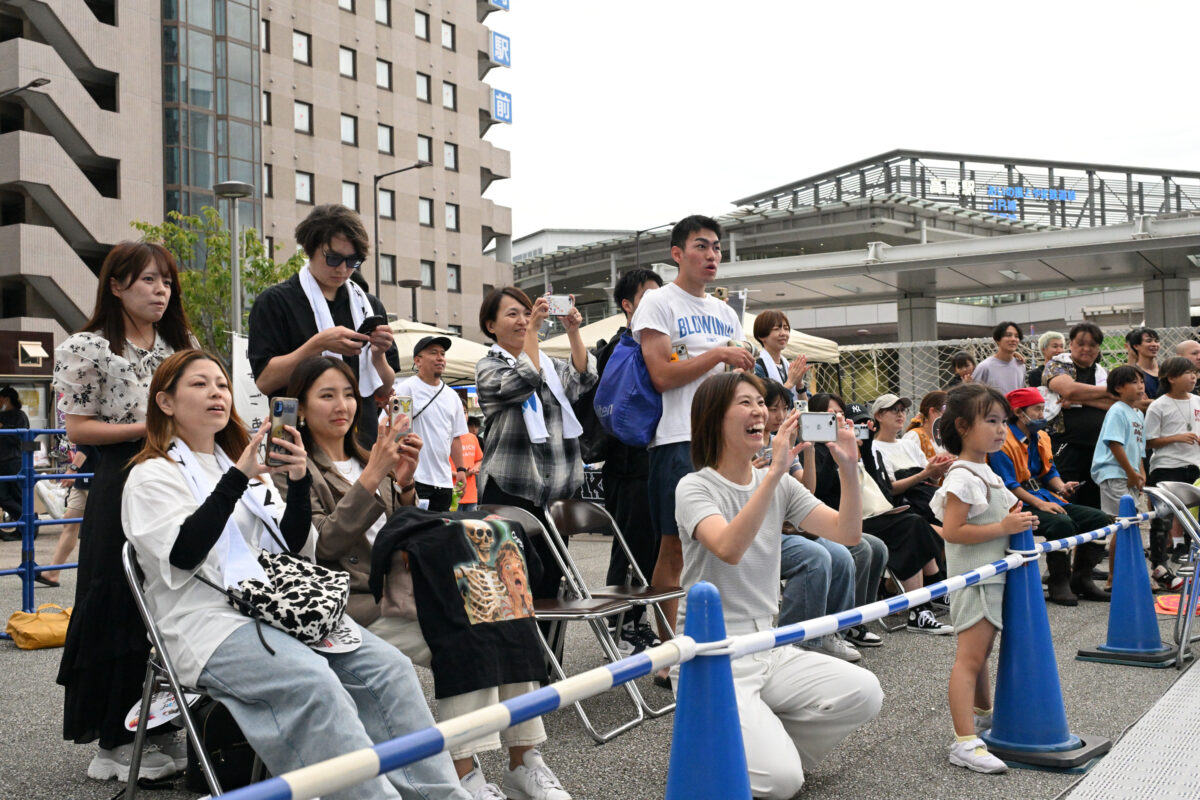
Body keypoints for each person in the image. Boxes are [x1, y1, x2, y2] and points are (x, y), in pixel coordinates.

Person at [122, 350, 466, 800]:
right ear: (165, 403)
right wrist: (238, 479)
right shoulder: (151, 476)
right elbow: (185, 554)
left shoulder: (241, 466)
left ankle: (441, 795)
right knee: (313, 683)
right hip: (207, 621)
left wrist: (300, 482)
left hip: (283, 608)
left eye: (222, 385)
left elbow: (294, 544)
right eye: (199, 384)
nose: (216, 394)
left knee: (391, 670)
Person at [673, 371, 882, 799]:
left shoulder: (780, 483)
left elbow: (848, 533)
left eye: (760, 403)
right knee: (781, 783)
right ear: (713, 418)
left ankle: (759, 745)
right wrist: (771, 476)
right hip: (712, 654)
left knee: (865, 692)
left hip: (766, 643)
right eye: (744, 402)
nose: (759, 412)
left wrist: (848, 467)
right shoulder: (694, 486)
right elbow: (728, 547)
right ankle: (746, 751)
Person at [52, 241, 195, 781]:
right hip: (121, 480)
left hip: (180, 478)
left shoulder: (180, 344)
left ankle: (159, 730)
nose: (161, 291)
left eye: (166, 282)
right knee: (119, 600)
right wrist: (155, 427)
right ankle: (113, 740)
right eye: (148, 281)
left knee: (169, 601)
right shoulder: (86, 347)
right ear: (116, 285)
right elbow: (79, 430)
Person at [631, 215, 752, 650]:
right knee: (675, 547)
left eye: (717, 247)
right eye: (701, 246)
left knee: (725, 544)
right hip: (676, 437)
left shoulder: (725, 312)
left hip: (724, 444)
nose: (712, 255)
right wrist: (719, 353)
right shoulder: (659, 303)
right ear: (677, 254)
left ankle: (713, 638)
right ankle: (668, 651)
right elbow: (661, 373)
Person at [931, 383, 1037, 774]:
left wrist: (1019, 523)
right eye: (990, 421)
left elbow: (997, 520)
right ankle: (964, 741)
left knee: (982, 655)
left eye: (1003, 422)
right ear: (961, 425)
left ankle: (983, 717)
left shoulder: (986, 471)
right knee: (970, 658)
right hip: (974, 580)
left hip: (991, 578)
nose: (999, 430)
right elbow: (953, 530)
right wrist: (1004, 526)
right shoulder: (961, 475)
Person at [475, 286, 596, 605]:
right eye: (512, 314)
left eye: (527, 313)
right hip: (510, 489)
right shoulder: (488, 367)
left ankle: (545, 657)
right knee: (505, 591)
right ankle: (508, 655)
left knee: (548, 587)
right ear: (490, 325)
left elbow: (582, 379)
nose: (522, 320)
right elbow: (522, 381)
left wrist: (573, 332)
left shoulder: (552, 367)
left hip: (556, 492)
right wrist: (533, 332)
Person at [248, 204, 399, 446]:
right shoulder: (275, 302)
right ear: (309, 249)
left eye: (352, 261)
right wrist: (317, 344)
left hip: (362, 438)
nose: (342, 269)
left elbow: (385, 388)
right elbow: (265, 380)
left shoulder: (369, 306)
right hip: (297, 440)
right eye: (333, 258)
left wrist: (378, 356)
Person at [807, 395, 950, 636]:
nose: (839, 419)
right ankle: (927, 597)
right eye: (833, 414)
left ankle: (922, 604)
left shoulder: (866, 450)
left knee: (913, 525)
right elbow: (822, 493)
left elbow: (882, 490)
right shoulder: (817, 450)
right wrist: (841, 458)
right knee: (913, 526)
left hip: (879, 512)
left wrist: (866, 451)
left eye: (842, 414)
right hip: (847, 519)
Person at [757, 380, 859, 662]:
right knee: (815, 556)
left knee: (842, 555)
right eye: (771, 407)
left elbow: (807, 490)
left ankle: (828, 632)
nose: (778, 415)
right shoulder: (752, 444)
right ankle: (791, 644)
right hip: (760, 531)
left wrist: (810, 449)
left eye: (784, 408)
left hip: (787, 526)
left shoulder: (783, 443)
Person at [989, 388, 1112, 605]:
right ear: (1018, 412)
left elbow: (1049, 472)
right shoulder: (1002, 441)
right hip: (1015, 503)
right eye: (1037, 409)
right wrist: (1039, 504)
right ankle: (1058, 581)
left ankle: (1081, 579)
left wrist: (1062, 486)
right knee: (1061, 524)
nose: (1042, 413)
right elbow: (1008, 485)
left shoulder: (1042, 437)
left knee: (1099, 520)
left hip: (1045, 496)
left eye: (1042, 408)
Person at [596, 268, 664, 654]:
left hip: (653, 460)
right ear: (627, 305)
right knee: (630, 547)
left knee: (654, 546)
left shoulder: (656, 341)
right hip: (627, 464)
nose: (658, 303)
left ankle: (636, 620)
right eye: (648, 297)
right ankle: (620, 624)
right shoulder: (619, 348)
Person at [1043, 322, 1114, 511]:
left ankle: (1091, 542)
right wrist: (1109, 392)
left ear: (1098, 348)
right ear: (1071, 344)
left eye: (1092, 344)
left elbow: (1116, 403)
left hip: (1098, 449)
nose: (1086, 349)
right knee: (1067, 503)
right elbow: (1068, 388)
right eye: (1081, 343)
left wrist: (1080, 400)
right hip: (1066, 446)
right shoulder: (1058, 365)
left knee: (1095, 505)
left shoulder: (1102, 372)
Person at [1142, 357, 1198, 591]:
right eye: (1188, 373)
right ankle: (1159, 566)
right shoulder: (1159, 405)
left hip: (1195, 465)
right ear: (1171, 378)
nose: (1194, 377)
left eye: (1195, 372)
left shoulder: (1197, 401)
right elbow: (1149, 441)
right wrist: (1177, 437)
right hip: (1167, 466)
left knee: (1193, 519)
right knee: (1163, 519)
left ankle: (1190, 564)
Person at [393, 335, 468, 511]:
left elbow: (456, 437)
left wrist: (461, 469)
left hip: (444, 482)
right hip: (415, 478)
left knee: (440, 534)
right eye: (433, 353)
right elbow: (393, 432)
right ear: (417, 360)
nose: (440, 357)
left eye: (443, 353)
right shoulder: (405, 390)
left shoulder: (452, 396)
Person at [870, 393, 954, 524]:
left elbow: (931, 481)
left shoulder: (908, 445)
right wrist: (925, 473)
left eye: (903, 410)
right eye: (894, 409)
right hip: (908, 511)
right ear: (878, 415)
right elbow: (890, 489)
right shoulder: (874, 448)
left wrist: (936, 472)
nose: (900, 414)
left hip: (926, 502)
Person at [1090, 365, 1147, 518]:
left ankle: (1123, 543)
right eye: (1135, 382)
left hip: (1129, 475)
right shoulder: (1117, 410)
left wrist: (1140, 474)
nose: (1141, 386)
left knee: (1129, 519)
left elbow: (1139, 449)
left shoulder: (1139, 414)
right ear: (1119, 387)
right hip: (1115, 473)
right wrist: (1131, 473)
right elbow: (1114, 444)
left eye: (1142, 381)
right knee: (1124, 519)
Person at [752, 310, 810, 403]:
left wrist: (799, 385)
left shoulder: (788, 366)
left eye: (786, 328)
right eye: (776, 329)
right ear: (761, 336)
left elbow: (806, 409)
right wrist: (790, 383)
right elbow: (766, 403)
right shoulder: (757, 367)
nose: (783, 333)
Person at [0, 386, 31, 538]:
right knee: (3, 496)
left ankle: (28, 528)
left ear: (6, 399)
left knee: (19, 495)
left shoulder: (20, 416)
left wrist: (4, 428)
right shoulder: (1, 415)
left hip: (15, 461)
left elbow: (21, 439)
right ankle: (24, 525)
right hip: (1, 462)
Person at [973, 322, 1026, 395]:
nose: (1013, 339)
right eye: (1008, 335)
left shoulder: (1021, 366)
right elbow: (974, 395)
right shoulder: (985, 367)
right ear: (997, 340)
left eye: (1016, 336)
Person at [903, 390, 948, 459]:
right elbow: (906, 467)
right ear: (932, 411)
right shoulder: (914, 436)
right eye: (946, 411)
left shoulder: (944, 438)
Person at [1126, 327, 1161, 401]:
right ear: (1136, 346)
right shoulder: (1132, 373)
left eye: (1156, 341)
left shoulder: (1166, 369)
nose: (1154, 344)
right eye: (1149, 341)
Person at [458, 413, 484, 512]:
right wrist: (462, 473)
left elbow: (479, 459)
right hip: (454, 493)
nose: (474, 429)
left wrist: (475, 468)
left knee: (471, 526)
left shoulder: (473, 438)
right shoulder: (446, 437)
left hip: (472, 495)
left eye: (464, 412)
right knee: (455, 525)